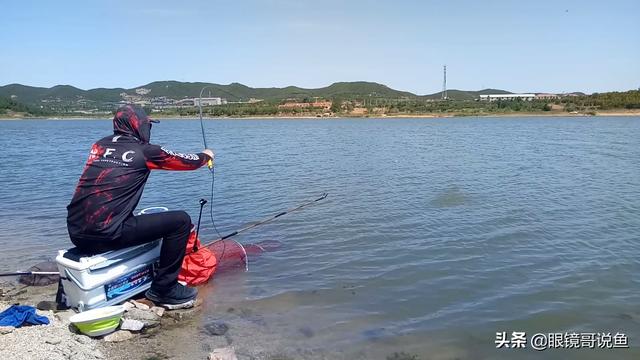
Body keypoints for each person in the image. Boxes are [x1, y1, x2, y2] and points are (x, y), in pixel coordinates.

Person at [66, 104, 214, 308]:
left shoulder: (98, 146)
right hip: (107, 234)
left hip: (75, 232)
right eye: (147, 126)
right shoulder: (145, 151)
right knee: (180, 221)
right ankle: (165, 289)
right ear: (138, 126)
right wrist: (206, 155)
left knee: (126, 214)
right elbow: (186, 161)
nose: (149, 130)